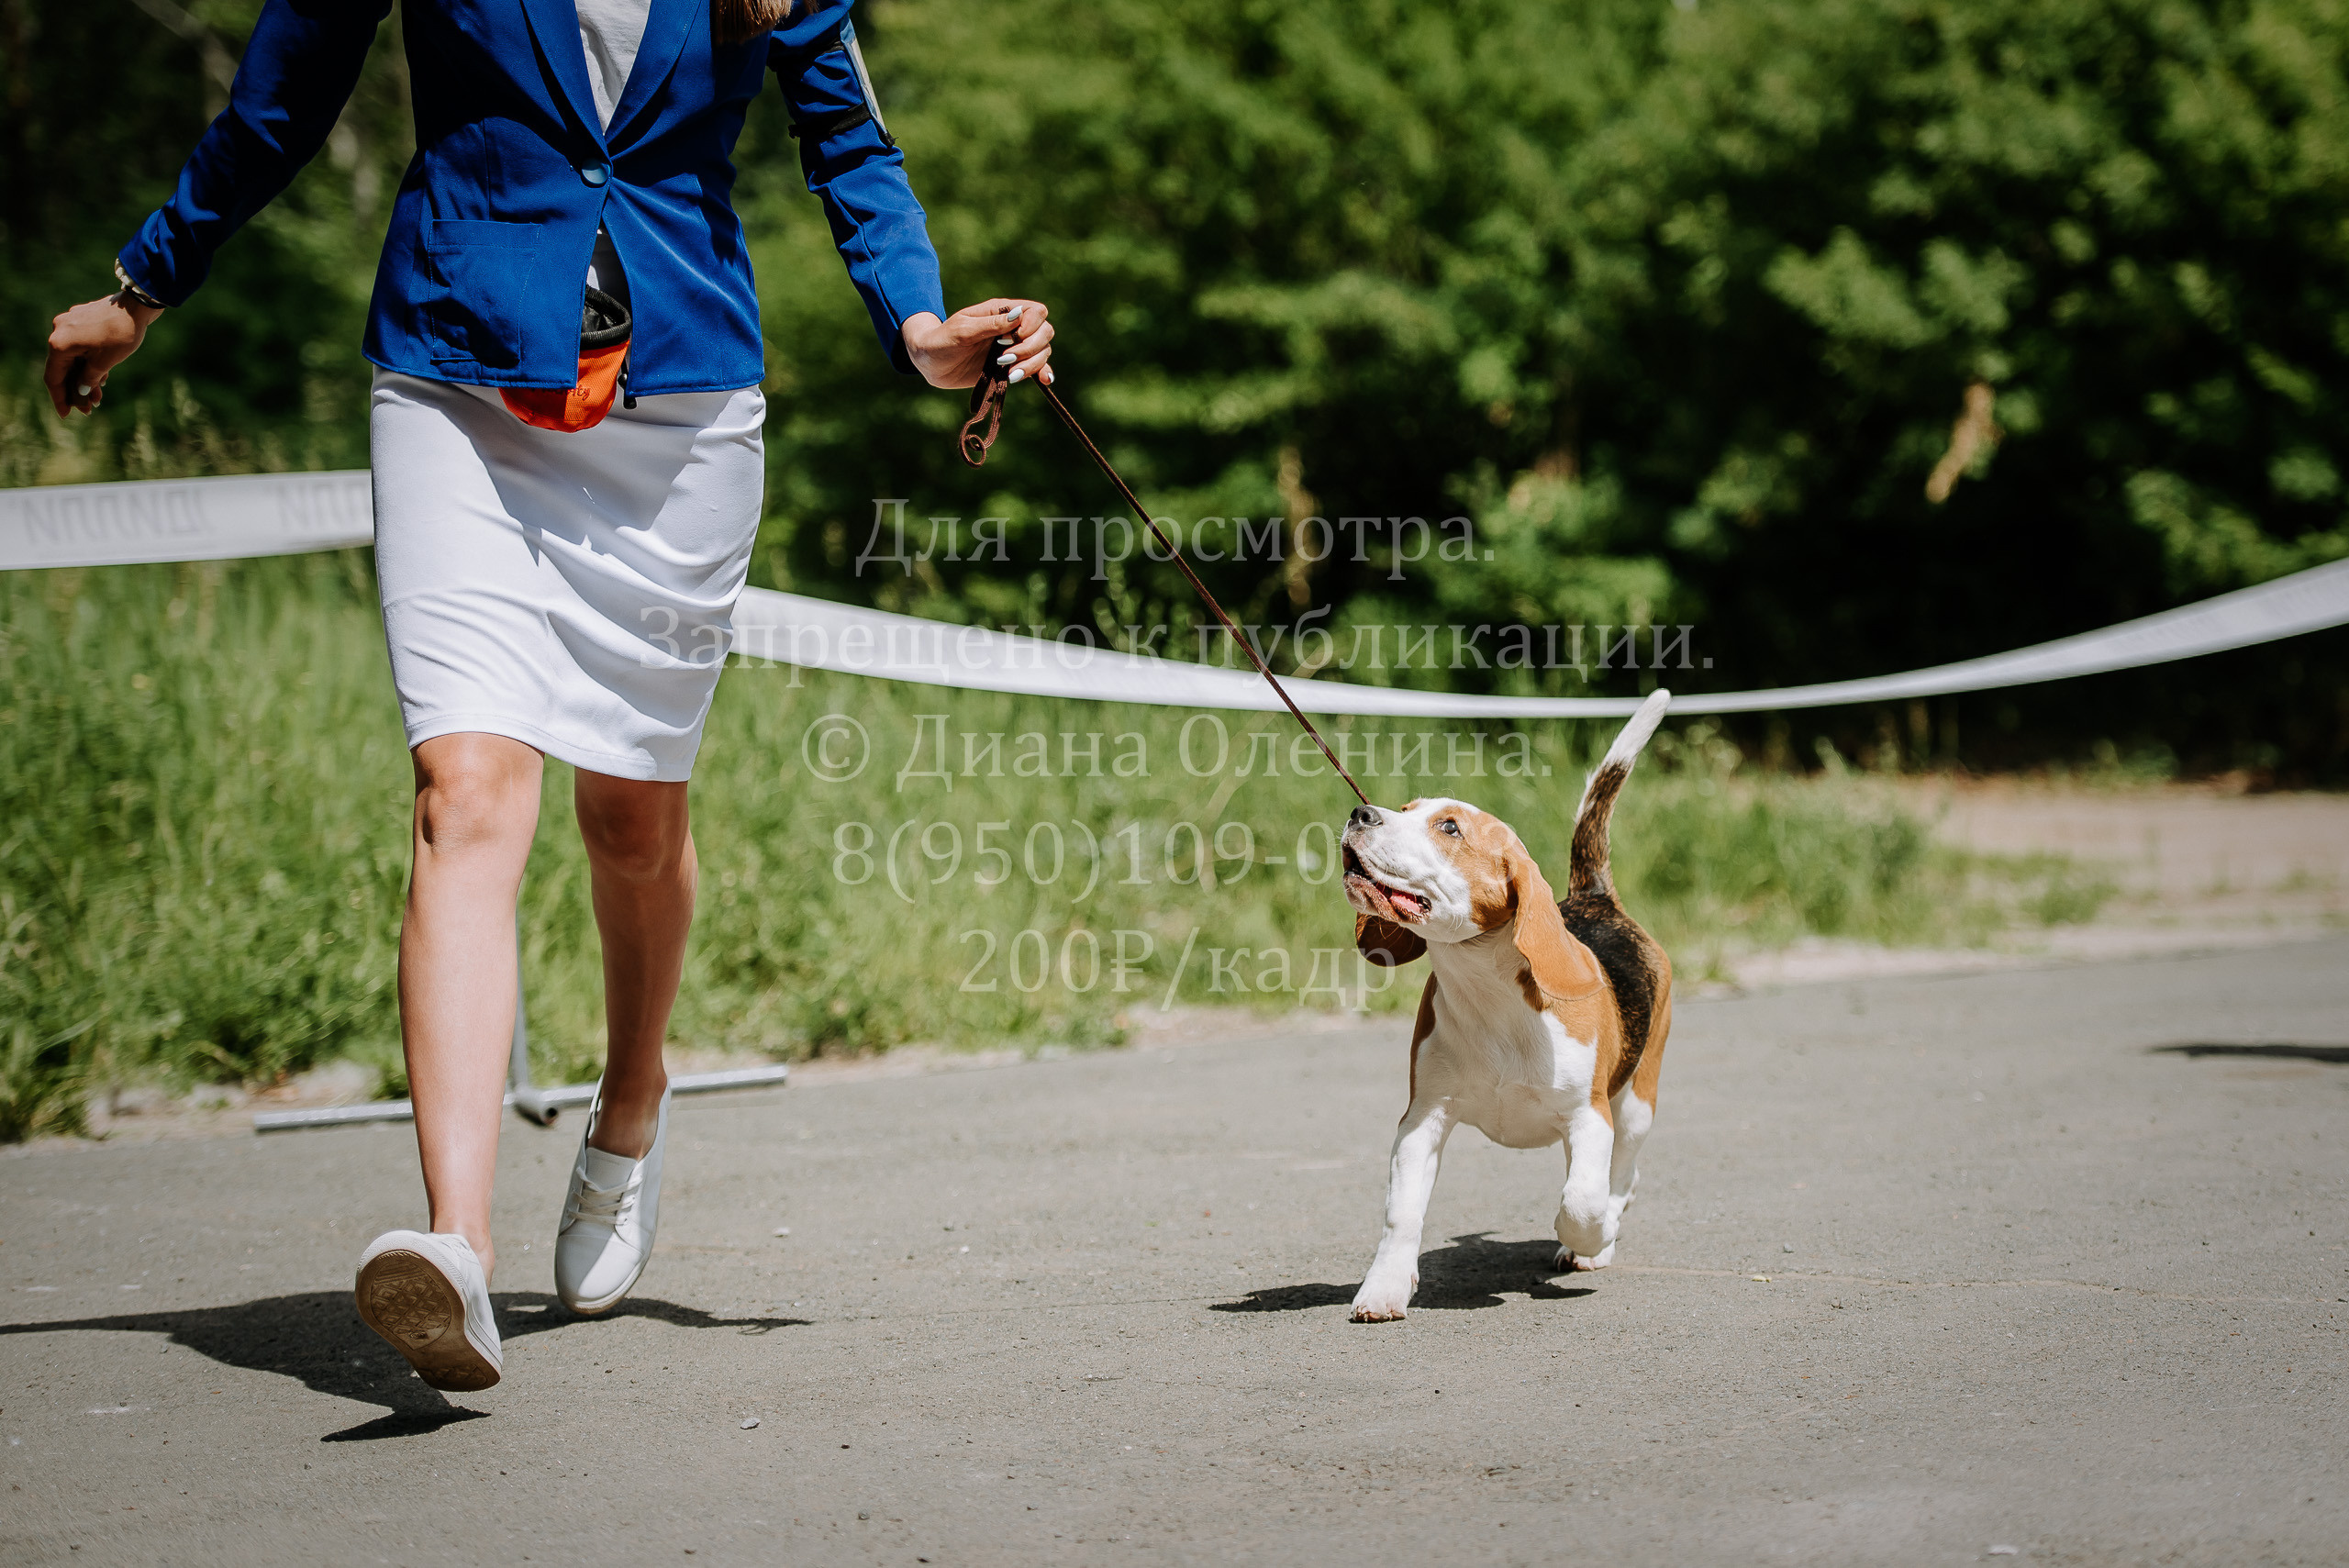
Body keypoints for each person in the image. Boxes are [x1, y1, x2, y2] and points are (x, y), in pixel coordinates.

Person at [43, 0, 1052, 1393]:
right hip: (457, 372)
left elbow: (852, 149)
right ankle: (455, 1249)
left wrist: (925, 327)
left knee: (632, 821)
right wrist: (139, 285)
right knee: (466, 788)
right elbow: (284, 90)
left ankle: (631, 1100)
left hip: (683, 413)